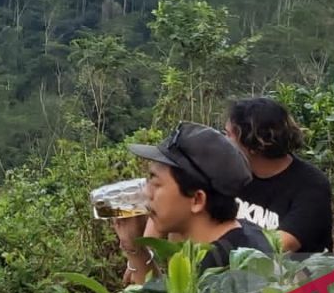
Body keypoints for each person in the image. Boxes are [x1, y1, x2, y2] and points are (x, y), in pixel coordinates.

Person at [114, 121, 271, 283]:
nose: (146, 192)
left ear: (197, 200)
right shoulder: (244, 233)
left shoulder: (220, 275)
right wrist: (134, 247)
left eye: (156, 183)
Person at [225, 97, 333, 254]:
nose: (223, 142)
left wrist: (220, 243)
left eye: (228, 135)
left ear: (254, 143)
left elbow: (283, 244)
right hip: (252, 272)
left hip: (308, 275)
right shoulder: (231, 174)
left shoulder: (312, 184)